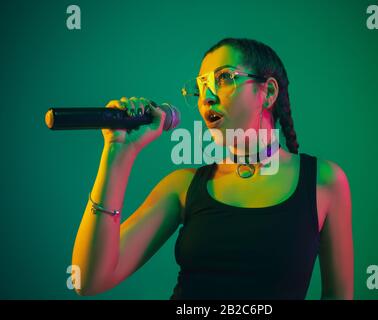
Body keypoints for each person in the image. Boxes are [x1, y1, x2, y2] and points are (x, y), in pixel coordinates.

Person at [72, 38, 353, 300]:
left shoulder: (324, 182)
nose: (206, 97)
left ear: (267, 92)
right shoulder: (183, 187)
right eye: (200, 86)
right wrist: (118, 151)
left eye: (224, 78)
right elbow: (89, 280)